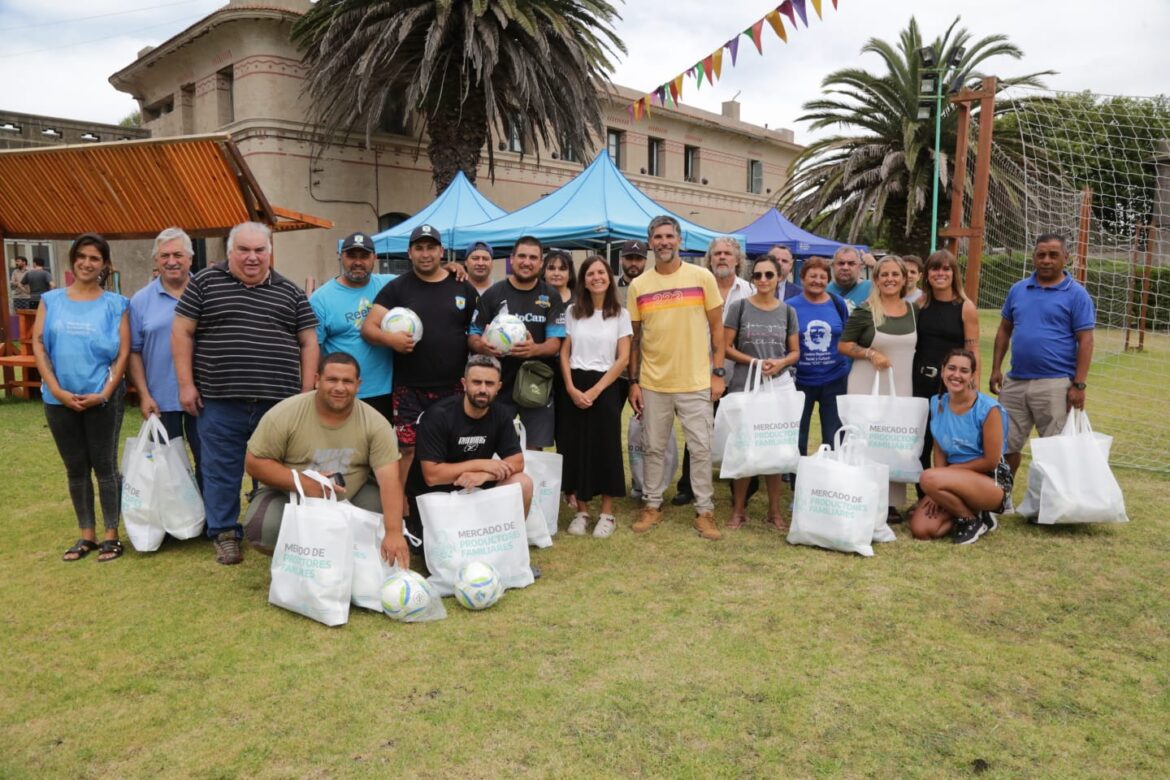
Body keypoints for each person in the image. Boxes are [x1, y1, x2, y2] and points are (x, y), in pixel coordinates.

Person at [173, 221, 319, 565]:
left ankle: (279, 528)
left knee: (279, 469)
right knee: (220, 470)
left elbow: (309, 341)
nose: (252, 257)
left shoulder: (290, 291)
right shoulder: (204, 284)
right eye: (244, 250)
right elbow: (181, 332)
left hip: (278, 404)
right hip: (220, 400)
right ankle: (224, 534)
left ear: (270, 252)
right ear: (230, 252)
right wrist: (185, 384)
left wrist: (305, 393)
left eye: (259, 250)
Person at [242, 352, 410, 566]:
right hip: (292, 495)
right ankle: (295, 560)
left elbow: (389, 480)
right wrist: (307, 484)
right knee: (263, 526)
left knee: (382, 512)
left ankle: (349, 559)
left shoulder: (375, 423)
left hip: (351, 496)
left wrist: (394, 531)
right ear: (317, 380)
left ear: (358, 385)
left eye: (347, 381)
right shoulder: (285, 413)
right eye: (332, 379)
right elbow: (254, 463)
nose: (340, 387)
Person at [32, 234, 130, 563]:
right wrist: (57, 390)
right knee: (75, 468)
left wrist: (104, 393)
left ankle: (111, 535)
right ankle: (86, 534)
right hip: (58, 399)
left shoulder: (117, 304)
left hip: (102, 398)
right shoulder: (50, 300)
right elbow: (39, 345)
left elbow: (123, 353)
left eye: (94, 258)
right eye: (82, 256)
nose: (87, 263)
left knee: (105, 466)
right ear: (73, 259)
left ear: (105, 264)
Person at [627, 216, 726, 541]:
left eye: (669, 236)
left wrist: (718, 373)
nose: (664, 242)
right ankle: (652, 505)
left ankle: (705, 511)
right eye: (658, 237)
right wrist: (634, 382)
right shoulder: (639, 285)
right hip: (654, 383)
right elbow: (635, 339)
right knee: (653, 448)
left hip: (696, 381)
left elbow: (717, 329)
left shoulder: (702, 277)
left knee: (700, 449)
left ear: (679, 240)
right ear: (650, 243)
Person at [362, 224, 480, 487]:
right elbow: (369, 328)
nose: (425, 254)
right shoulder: (397, 288)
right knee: (408, 450)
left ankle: (451, 502)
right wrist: (389, 339)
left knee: (452, 448)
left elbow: (477, 329)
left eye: (430, 248)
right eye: (419, 248)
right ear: (409, 253)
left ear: (441, 251)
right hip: (409, 388)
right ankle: (403, 504)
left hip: (453, 387)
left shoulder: (462, 286)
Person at [404, 355, 533, 560]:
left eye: (489, 383)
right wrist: (481, 464)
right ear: (464, 384)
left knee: (522, 482)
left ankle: (511, 549)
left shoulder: (500, 414)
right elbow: (432, 476)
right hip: (435, 496)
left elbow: (517, 462)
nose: (483, 389)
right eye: (476, 382)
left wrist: (484, 475)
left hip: (474, 488)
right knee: (446, 560)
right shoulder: (437, 415)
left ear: (499, 387)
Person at [990, 233, 1095, 479]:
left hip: (1055, 383)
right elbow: (1004, 329)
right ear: (1034, 257)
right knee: (1004, 446)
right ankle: (1002, 494)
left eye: (1053, 255)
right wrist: (996, 368)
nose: (1046, 260)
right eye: (1041, 255)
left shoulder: (1076, 294)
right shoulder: (1018, 289)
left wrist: (1079, 384)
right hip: (1015, 382)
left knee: (1054, 450)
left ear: (1066, 258)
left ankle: (1050, 499)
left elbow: (1086, 340)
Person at [672, 235, 751, 507]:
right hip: (701, 372)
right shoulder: (696, 288)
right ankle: (688, 487)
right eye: (717, 254)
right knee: (697, 432)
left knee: (738, 433)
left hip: (738, 374)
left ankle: (741, 489)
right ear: (709, 259)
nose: (722, 258)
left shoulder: (749, 291)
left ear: (737, 260)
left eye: (727, 254)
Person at [723, 254, 800, 530]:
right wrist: (754, 362)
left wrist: (780, 363)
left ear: (779, 277)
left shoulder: (788, 311)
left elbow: (794, 352)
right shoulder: (739, 307)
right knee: (744, 448)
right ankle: (738, 510)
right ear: (752, 278)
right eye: (758, 275)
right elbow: (726, 347)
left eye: (769, 274)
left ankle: (774, 511)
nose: (763, 279)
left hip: (777, 388)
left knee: (775, 450)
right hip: (745, 386)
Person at [469, 235, 566, 450]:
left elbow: (555, 343)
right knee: (493, 446)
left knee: (534, 449)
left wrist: (534, 349)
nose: (526, 262)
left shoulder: (551, 296)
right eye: (522, 256)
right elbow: (473, 336)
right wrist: (482, 346)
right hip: (498, 384)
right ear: (511, 259)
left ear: (540, 263)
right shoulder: (493, 294)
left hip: (536, 383)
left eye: (533, 257)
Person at [839, 255, 918, 519]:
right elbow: (844, 345)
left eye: (895, 274)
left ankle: (890, 502)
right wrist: (871, 354)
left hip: (901, 387)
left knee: (893, 440)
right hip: (866, 385)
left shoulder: (914, 312)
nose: (890, 279)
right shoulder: (865, 311)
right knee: (865, 441)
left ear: (905, 279)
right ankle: (860, 494)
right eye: (884, 274)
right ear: (876, 279)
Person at [560, 255, 632, 538]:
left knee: (606, 448)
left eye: (601, 272)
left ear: (609, 277)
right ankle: (582, 511)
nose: (596, 277)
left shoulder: (620, 314)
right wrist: (570, 387)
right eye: (590, 274)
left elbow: (623, 357)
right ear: (584, 280)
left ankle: (606, 514)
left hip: (605, 386)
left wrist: (596, 390)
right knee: (576, 446)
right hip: (575, 384)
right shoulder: (573, 311)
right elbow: (565, 352)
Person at [127, 227, 202, 488]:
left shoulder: (207, 293)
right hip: (160, 399)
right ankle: (177, 514)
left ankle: (211, 512)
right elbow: (134, 351)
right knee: (167, 470)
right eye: (165, 256)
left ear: (190, 258)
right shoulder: (140, 300)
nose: (171, 261)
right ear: (156, 260)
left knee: (209, 463)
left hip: (204, 397)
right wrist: (144, 395)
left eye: (178, 255)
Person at [912, 349, 1010, 545]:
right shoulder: (937, 402)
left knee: (927, 478)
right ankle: (976, 515)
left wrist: (941, 477)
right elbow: (940, 449)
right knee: (922, 530)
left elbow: (990, 462)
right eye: (951, 368)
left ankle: (970, 519)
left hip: (989, 481)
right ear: (942, 371)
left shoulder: (988, 409)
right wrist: (937, 488)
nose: (956, 375)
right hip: (950, 479)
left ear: (972, 375)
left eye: (964, 371)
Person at [310, 231, 396, 423]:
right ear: (341, 256)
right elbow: (313, 348)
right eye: (351, 256)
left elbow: (421, 279)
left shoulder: (390, 284)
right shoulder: (321, 299)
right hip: (341, 392)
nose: (358, 262)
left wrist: (451, 268)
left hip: (384, 391)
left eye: (364, 256)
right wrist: (312, 389)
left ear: (375, 258)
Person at [912, 249, 979, 483]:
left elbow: (972, 348)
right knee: (921, 444)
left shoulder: (965, 307)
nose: (940, 273)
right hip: (920, 383)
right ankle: (925, 495)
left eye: (946, 268)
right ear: (927, 274)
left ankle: (948, 491)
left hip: (952, 385)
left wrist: (973, 384)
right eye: (935, 268)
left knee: (949, 443)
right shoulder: (920, 304)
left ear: (954, 273)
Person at [787, 257, 852, 459]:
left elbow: (846, 334)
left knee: (835, 435)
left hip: (834, 379)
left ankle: (831, 472)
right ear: (802, 278)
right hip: (800, 380)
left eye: (822, 277)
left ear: (828, 280)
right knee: (797, 434)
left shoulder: (837, 303)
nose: (817, 281)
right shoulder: (790, 306)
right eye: (812, 276)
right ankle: (795, 473)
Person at [826, 245, 872, 312]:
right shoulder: (823, 291)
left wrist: (875, 266)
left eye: (851, 263)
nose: (845, 268)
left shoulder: (872, 288)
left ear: (859, 267)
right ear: (833, 266)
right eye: (841, 263)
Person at [614, 239, 646, 307]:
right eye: (629, 258)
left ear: (645, 261)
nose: (633, 263)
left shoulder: (653, 289)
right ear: (621, 260)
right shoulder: (610, 289)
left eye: (639, 259)